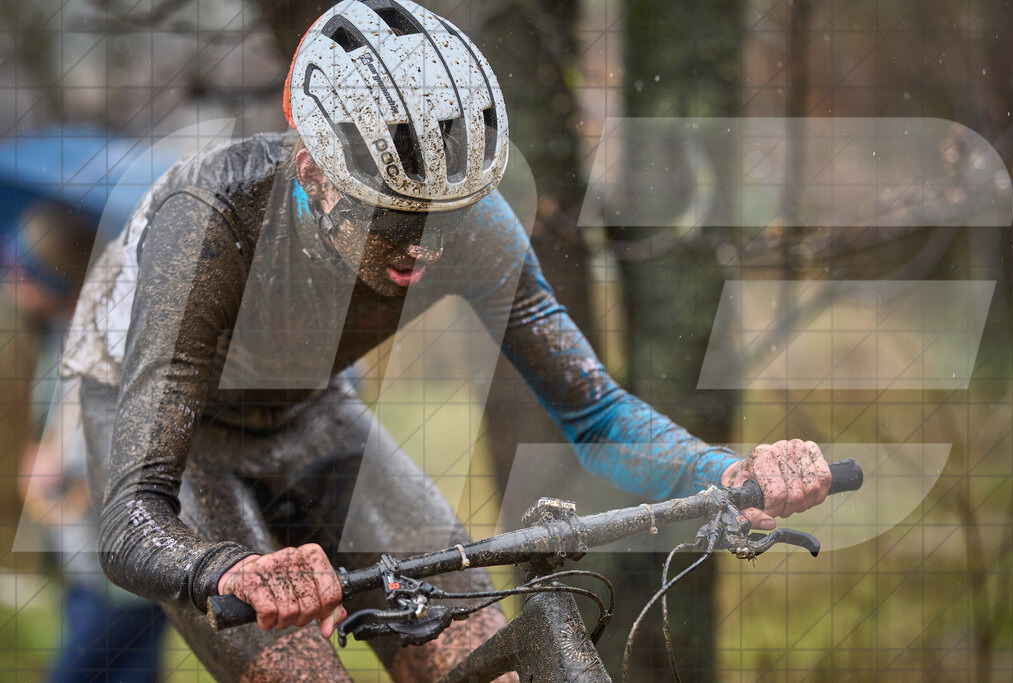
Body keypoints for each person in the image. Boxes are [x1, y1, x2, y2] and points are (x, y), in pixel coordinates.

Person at [60, 1, 832, 680]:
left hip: (309, 413)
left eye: (453, 213)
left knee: (488, 665)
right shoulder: (209, 221)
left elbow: (594, 414)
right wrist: (227, 567)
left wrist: (725, 469)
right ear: (315, 174)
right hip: (181, 442)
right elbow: (132, 517)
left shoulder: (479, 229)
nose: (427, 248)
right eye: (395, 218)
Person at [8, 202, 167, 682]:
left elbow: (134, 438)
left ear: (55, 280)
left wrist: (64, 463)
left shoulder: (124, 335)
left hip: (123, 567)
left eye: (20, 271)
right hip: (83, 563)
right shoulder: (60, 329)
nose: (12, 281)